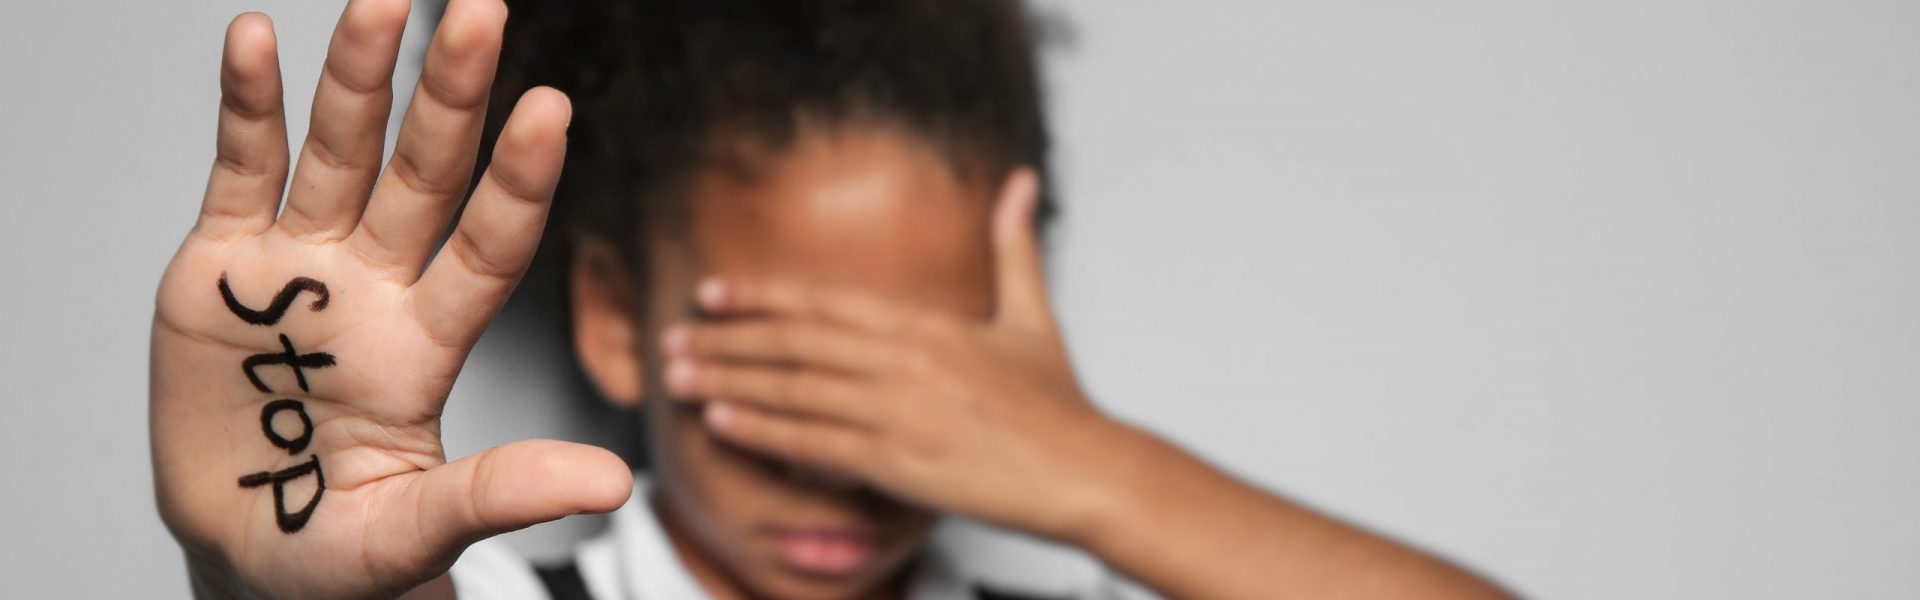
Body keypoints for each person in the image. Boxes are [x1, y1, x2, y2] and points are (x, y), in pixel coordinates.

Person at [149, 0, 1514, 598]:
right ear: (619, 314)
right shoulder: (508, 591)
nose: (836, 460)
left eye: (910, 386)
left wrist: (1098, 470)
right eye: (775, 367)